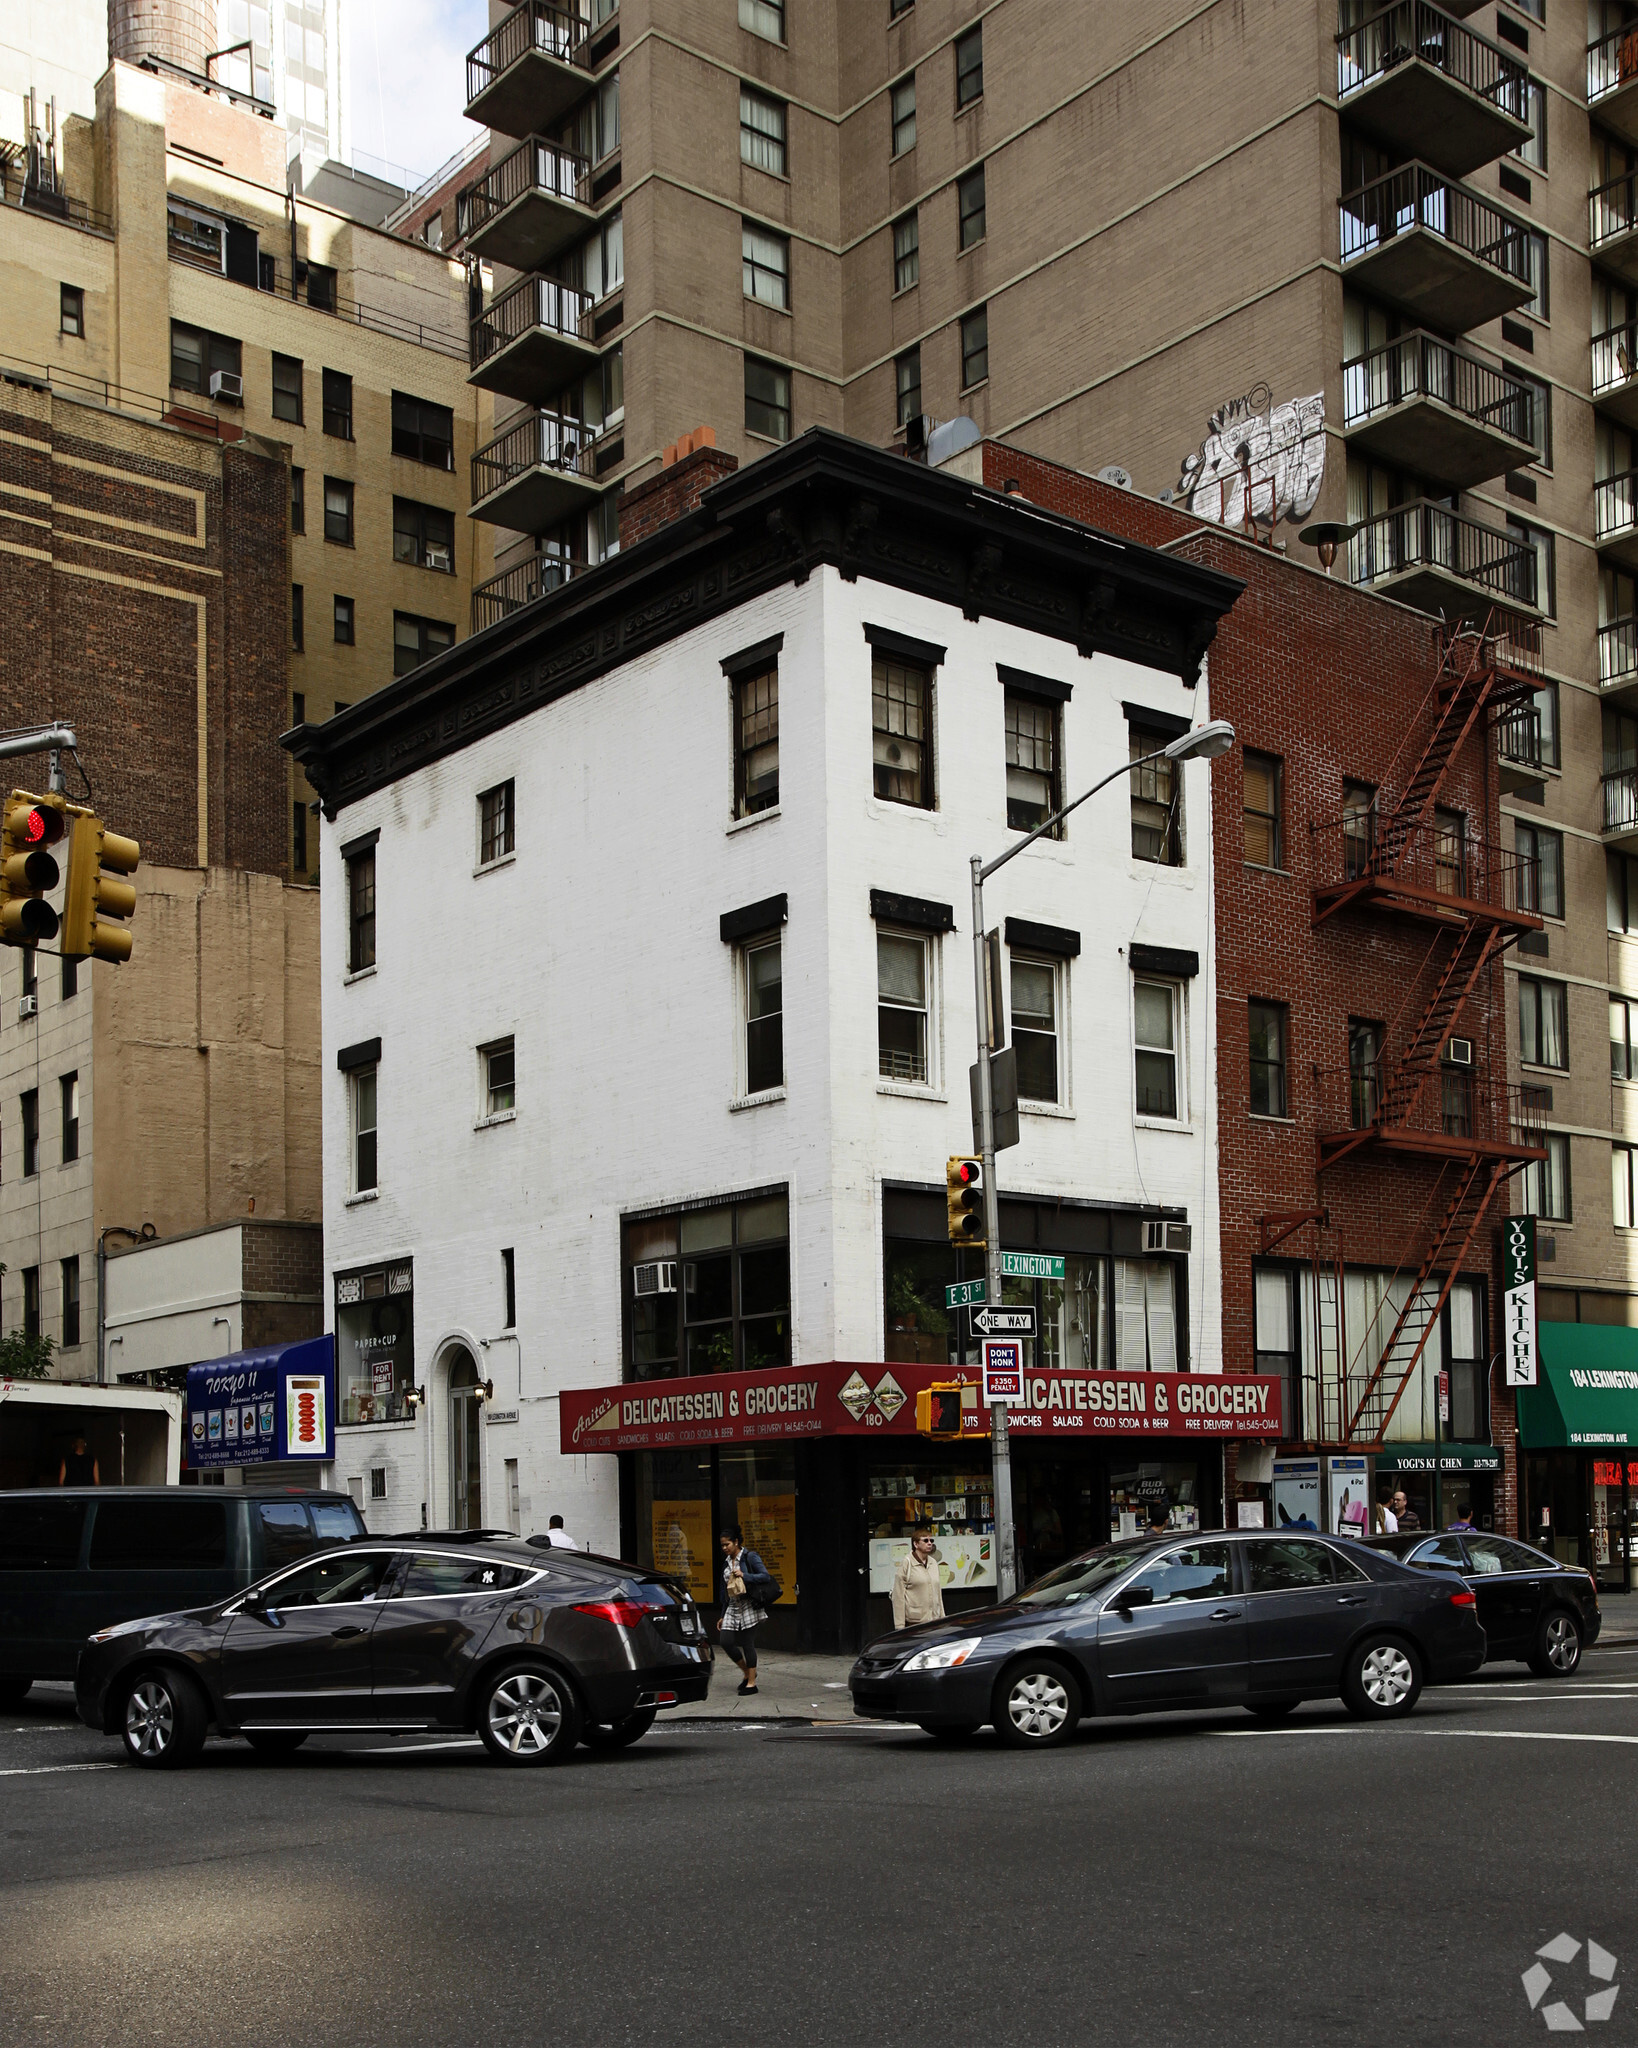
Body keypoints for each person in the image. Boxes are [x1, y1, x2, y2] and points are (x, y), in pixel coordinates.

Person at [716, 1524, 773, 1696]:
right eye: (722, 1545)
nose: (725, 1548)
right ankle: (748, 1672)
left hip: (749, 1605)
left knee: (747, 1643)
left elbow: (765, 1576)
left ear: (736, 1542)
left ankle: (751, 1683)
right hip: (733, 1606)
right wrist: (722, 1615)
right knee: (725, 1641)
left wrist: (745, 1575)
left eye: (727, 1544)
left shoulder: (750, 1556)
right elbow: (726, 1591)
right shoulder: (726, 1563)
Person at [891, 1530, 946, 1630]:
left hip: (934, 1621)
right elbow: (898, 1596)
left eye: (931, 1540)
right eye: (925, 1540)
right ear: (915, 1544)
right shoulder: (907, 1563)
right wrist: (899, 1626)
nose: (930, 1543)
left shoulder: (933, 1563)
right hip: (915, 1623)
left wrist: (943, 1619)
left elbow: (938, 1593)